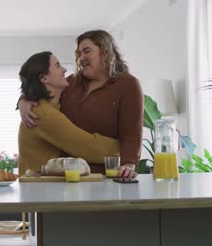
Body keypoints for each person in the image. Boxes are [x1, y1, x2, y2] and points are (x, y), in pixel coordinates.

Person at [19, 30, 143, 179]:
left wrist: (128, 163)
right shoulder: (71, 83)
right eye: (79, 53)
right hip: (68, 177)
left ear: (105, 51)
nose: (81, 57)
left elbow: (132, 132)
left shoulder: (127, 85)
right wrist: (23, 100)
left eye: (86, 51)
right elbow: (41, 90)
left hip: (104, 176)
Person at [17, 51, 120, 176]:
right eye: (58, 66)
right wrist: (126, 146)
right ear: (45, 78)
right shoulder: (44, 114)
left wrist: (22, 99)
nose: (64, 70)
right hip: (39, 191)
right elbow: (89, 147)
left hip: (41, 189)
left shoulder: (50, 105)